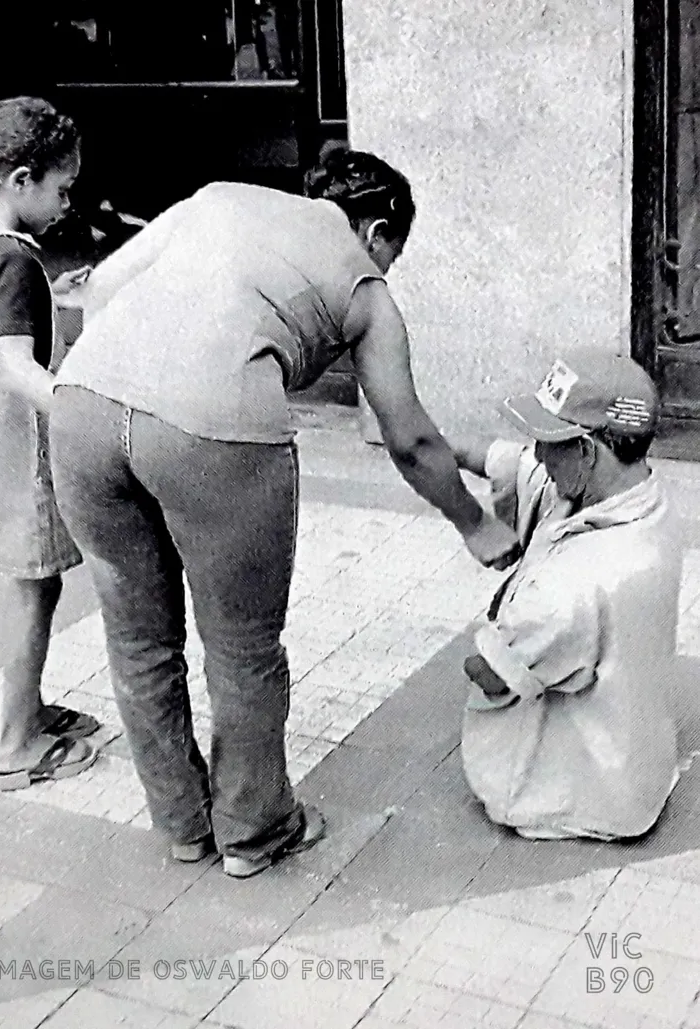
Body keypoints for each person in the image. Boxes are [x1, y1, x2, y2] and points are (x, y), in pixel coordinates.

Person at [49, 147, 520, 878]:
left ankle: (182, 824)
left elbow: (101, 284)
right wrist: (475, 523)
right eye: (395, 252)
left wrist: (139, 376)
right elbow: (411, 437)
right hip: (214, 425)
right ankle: (254, 830)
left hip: (79, 408)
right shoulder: (365, 286)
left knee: (139, 639)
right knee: (242, 647)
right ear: (378, 229)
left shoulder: (217, 196)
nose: (389, 268)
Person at [0, 97, 100, 790]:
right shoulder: (12, 260)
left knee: (28, 586)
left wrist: (47, 295)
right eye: (62, 187)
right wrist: (86, 409)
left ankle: (26, 707)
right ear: (21, 179)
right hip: (17, 458)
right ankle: (16, 743)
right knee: (36, 590)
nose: (68, 202)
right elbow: (15, 366)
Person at [451, 352, 681, 841]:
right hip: (641, 766)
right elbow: (503, 460)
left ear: (588, 451)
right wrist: (427, 444)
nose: (536, 453)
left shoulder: (568, 589)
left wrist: (492, 634)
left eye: (548, 441)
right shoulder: (647, 502)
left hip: (586, 797)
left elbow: (492, 675)